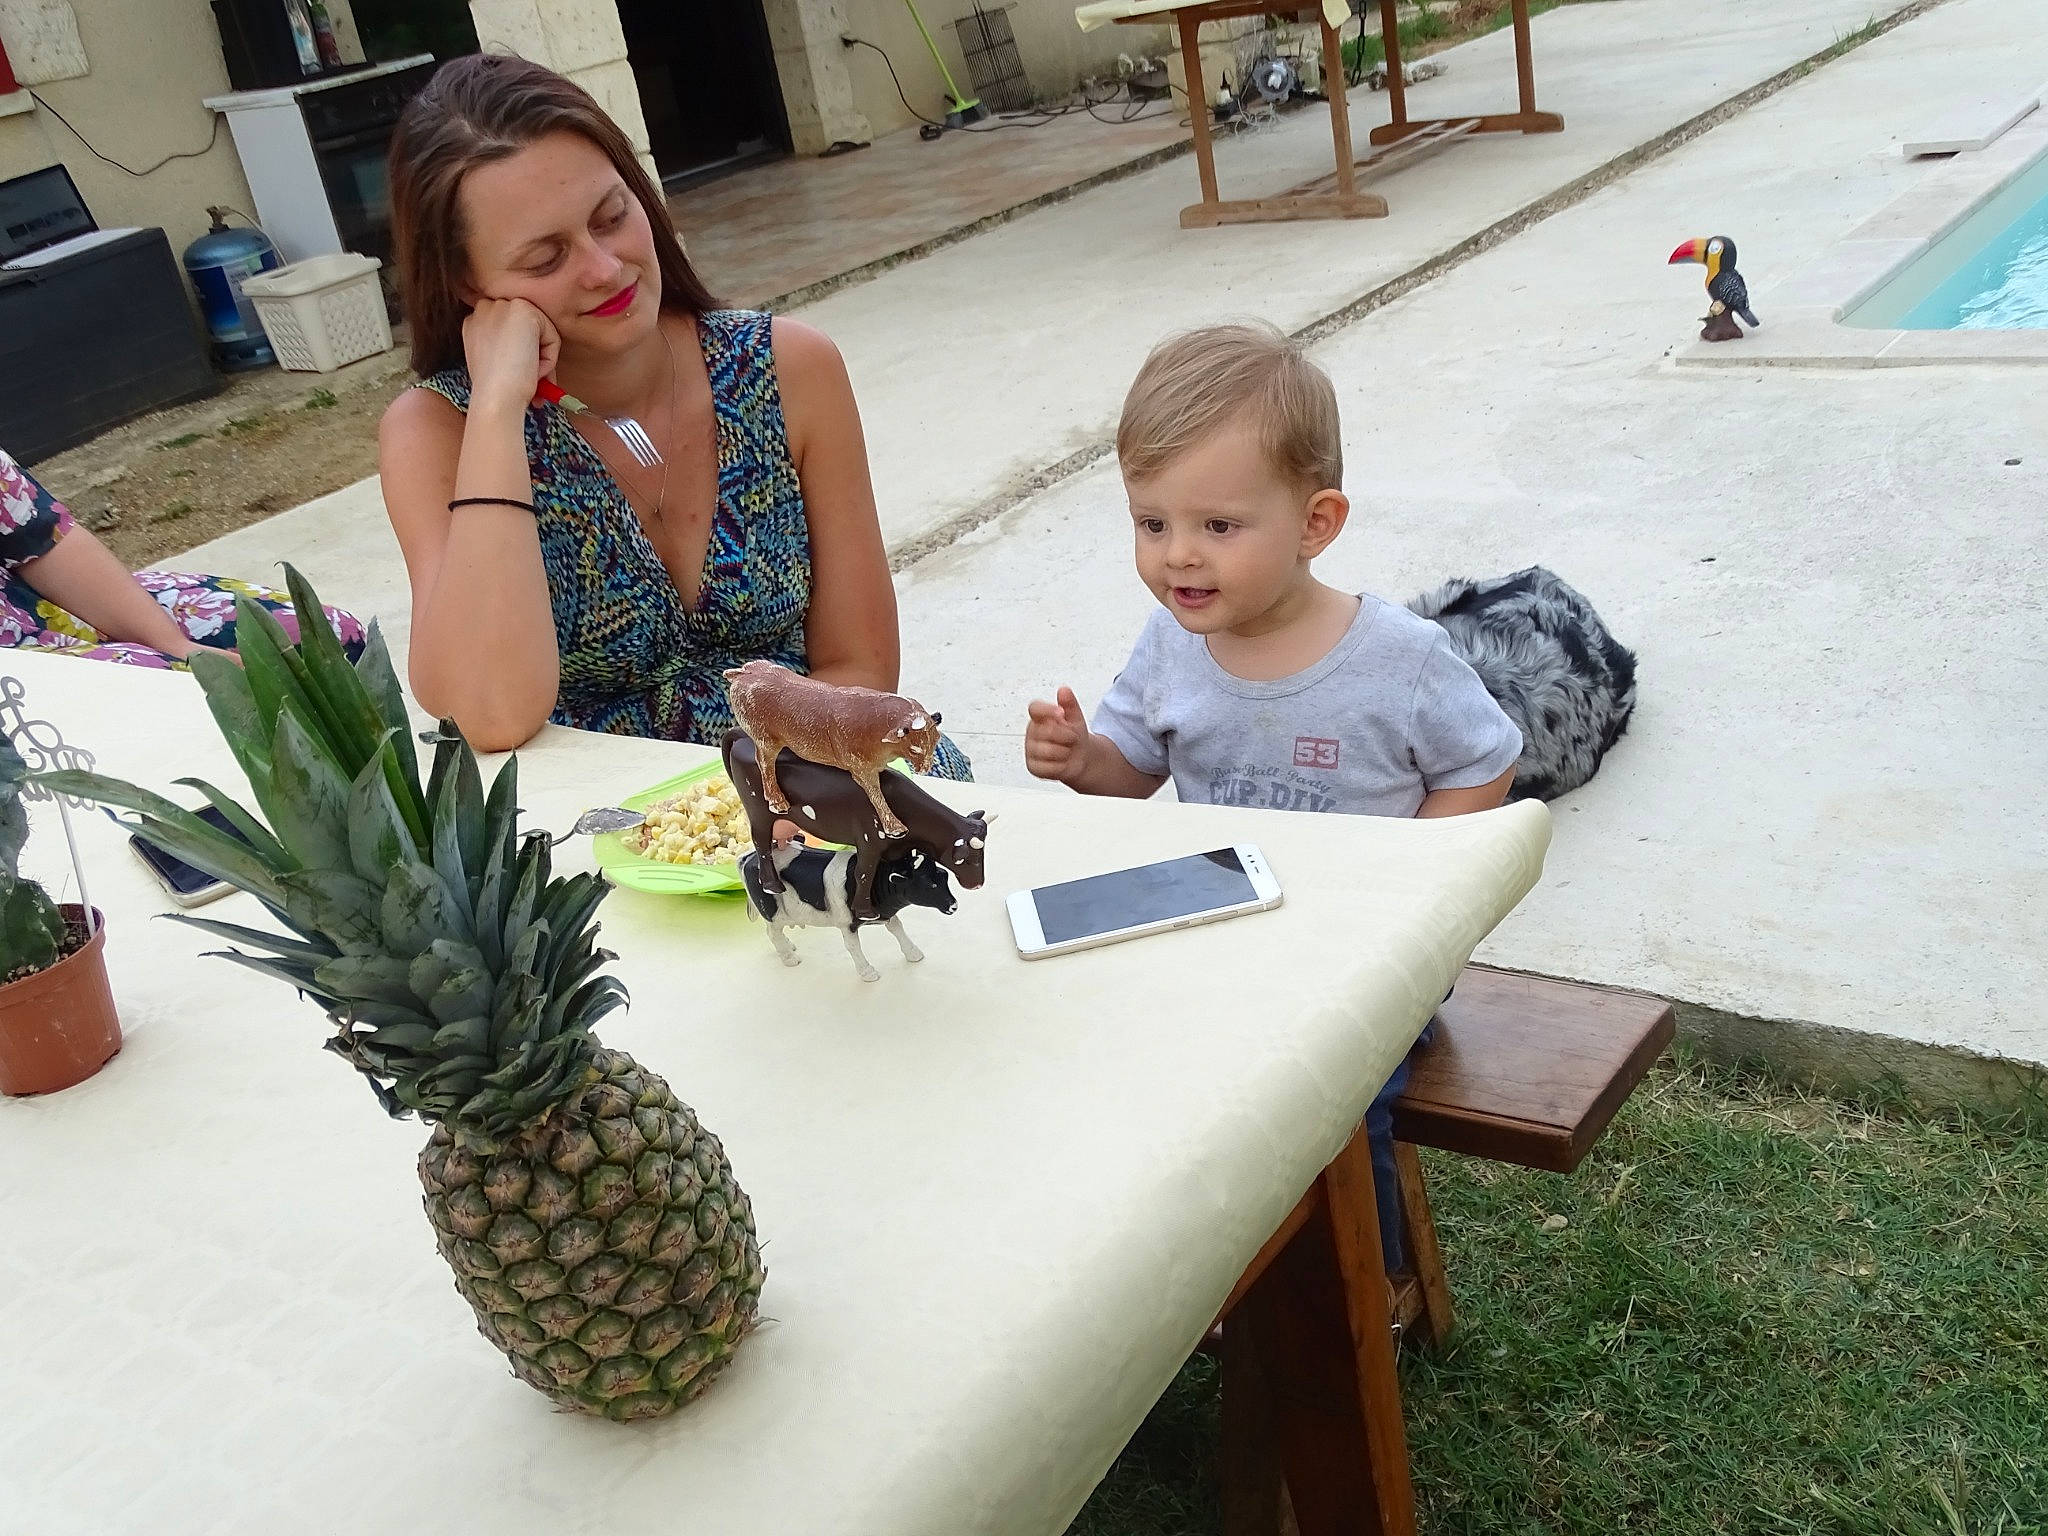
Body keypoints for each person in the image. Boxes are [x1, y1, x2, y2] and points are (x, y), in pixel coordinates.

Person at [1021, 322, 1522, 1271]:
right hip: (1221, 921)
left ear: (1316, 523)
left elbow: (1484, 763)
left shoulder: (1400, 660)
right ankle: (1181, 1260)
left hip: (1363, 956)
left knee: (1330, 1093)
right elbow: (1131, 769)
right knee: (1125, 1057)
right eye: (1151, 522)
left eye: (1218, 526)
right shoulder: (1170, 645)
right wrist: (1081, 755)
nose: (1179, 557)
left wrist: (1411, 889)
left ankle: (1357, 1286)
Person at [378, 53, 970, 778]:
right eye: (544, 258)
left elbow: (858, 666)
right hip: (604, 831)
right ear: (469, 281)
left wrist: (765, 810)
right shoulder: (437, 432)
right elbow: (488, 715)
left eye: (611, 217)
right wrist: (498, 411)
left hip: (815, 781)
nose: (604, 267)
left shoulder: (789, 370)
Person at [0, 448, 365, 668]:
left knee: (328, 639)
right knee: (188, 704)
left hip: (40, 607)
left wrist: (179, 648)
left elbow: (41, 537)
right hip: (26, 685)